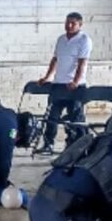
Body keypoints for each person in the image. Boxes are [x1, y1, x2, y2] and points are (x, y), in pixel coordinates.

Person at [35, 12, 93, 155]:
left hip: (74, 86)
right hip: (58, 84)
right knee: (52, 116)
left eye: (73, 23)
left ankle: (77, 145)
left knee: (75, 118)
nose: (69, 25)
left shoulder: (84, 40)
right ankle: (48, 144)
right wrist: (47, 77)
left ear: (80, 25)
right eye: (67, 22)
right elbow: (55, 59)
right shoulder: (61, 39)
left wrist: (75, 81)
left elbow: (82, 63)